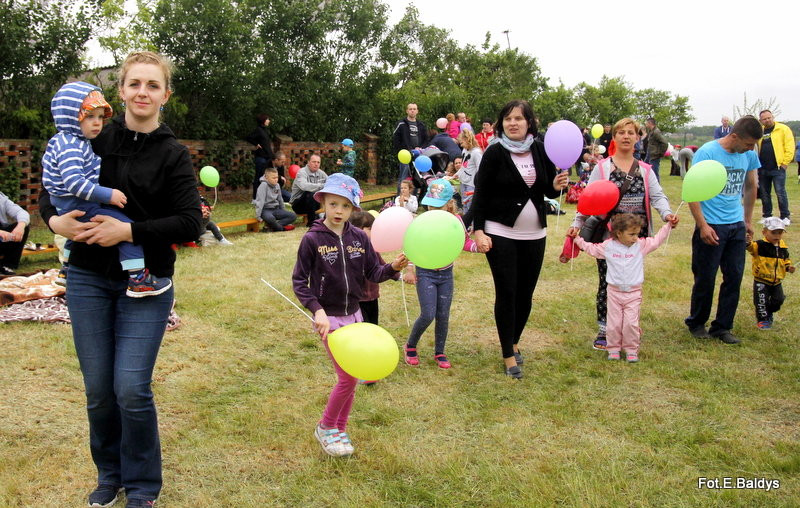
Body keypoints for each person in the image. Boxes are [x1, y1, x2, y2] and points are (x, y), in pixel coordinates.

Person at [38, 51, 203, 508]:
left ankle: (144, 485)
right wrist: (56, 224)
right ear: (121, 91)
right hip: (89, 277)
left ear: (165, 95)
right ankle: (109, 474)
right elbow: (50, 193)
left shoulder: (173, 154)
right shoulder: (92, 136)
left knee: (130, 388)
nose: (142, 93)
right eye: (134, 84)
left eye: (153, 85)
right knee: (98, 391)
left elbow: (190, 222)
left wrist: (128, 231)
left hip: (146, 282)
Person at [292, 173, 407, 457]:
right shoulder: (312, 239)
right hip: (329, 319)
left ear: (353, 208)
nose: (338, 211)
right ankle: (326, 426)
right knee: (346, 378)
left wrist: (393, 266)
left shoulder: (359, 238)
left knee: (353, 375)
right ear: (324, 204)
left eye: (344, 205)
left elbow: (373, 273)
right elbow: (299, 282)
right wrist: (317, 311)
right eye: (333, 204)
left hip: (355, 314)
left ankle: (339, 430)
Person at [42, 81, 170, 297]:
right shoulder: (71, 145)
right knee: (124, 226)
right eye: (90, 117)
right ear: (71, 116)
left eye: (100, 117)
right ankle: (138, 278)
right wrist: (107, 194)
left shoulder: (66, 140)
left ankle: (65, 270)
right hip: (77, 203)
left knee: (79, 232)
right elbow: (74, 183)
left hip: (68, 204)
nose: (97, 124)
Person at [471, 99, 569, 379]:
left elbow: (547, 185)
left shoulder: (540, 149)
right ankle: (507, 355)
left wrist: (557, 184)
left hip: (535, 233)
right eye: (508, 119)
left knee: (526, 294)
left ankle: (514, 341)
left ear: (529, 122)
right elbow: (481, 194)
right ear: (501, 124)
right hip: (500, 232)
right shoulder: (494, 152)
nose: (513, 123)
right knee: (508, 292)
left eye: (519, 118)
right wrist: (479, 230)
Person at [567, 118, 678, 351]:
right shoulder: (603, 167)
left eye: (631, 133)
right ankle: (604, 328)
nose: (626, 136)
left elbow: (657, 196)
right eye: (621, 132)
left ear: (638, 138)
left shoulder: (646, 170)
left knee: (631, 282)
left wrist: (667, 214)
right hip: (608, 236)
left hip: (635, 237)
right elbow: (589, 199)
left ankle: (629, 326)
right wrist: (577, 224)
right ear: (614, 137)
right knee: (607, 282)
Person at [684, 115, 762, 345]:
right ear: (734, 136)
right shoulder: (707, 153)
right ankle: (697, 322)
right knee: (705, 278)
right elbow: (692, 191)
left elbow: (750, 186)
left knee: (734, 277)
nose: (750, 149)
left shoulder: (748, 154)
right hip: (712, 224)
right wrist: (702, 225)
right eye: (748, 144)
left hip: (735, 225)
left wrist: (747, 220)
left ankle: (722, 326)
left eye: (753, 146)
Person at [575, 214, 674, 362]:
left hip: (633, 293)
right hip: (614, 293)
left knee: (630, 323)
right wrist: (577, 239)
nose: (635, 238)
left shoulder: (641, 246)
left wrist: (668, 226)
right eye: (632, 234)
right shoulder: (608, 246)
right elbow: (591, 249)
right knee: (613, 323)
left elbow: (657, 240)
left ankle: (631, 349)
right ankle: (613, 348)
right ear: (619, 233)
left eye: (637, 234)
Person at [402, 179, 478, 370]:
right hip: (425, 273)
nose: (432, 209)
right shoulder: (422, 221)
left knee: (443, 314)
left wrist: (477, 247)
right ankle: (410, 346)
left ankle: (440, 351)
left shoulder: (456, 221)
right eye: (429, 204)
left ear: (449, 204)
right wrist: (410, 268)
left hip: (446, 274)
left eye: (438, 205)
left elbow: (464, 242)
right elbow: (413, 245)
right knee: (428, 314)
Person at [747, 217, 794, 330]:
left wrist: (788, 267)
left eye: (780, 232)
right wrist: (747, 241)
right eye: (773, 232)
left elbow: (785, 260)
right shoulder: (759, 245)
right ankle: (763, 320)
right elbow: (750, 247)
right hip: (761, 281)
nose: (777, 236)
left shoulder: (782, 247)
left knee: (779, 300)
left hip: (777, 281)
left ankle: (768, 312)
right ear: (764, 232)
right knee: (761, 302)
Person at [756, 110, 794, 222]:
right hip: (762, 168)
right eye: (764, 119)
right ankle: (767, 215)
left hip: (778, 167)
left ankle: (785, 216)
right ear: (761, 120)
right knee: (764, 193)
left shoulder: (783, 129)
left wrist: (785, 164)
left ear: (772, 117)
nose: (767, 120)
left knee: (780, 192)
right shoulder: (760, 132)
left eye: (769, 117)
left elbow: (789, 147)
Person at [392, 103, 428, 191]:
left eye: (414, 109)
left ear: (417, 111)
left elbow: (426, 139)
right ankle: (399, 198)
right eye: (410, 109)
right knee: (403, 177)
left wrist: (420, 148)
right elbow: (395, 139)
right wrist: (403, 150)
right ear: (407, 111)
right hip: (405, 155)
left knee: (416, 177)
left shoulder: (421, 125)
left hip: (418, 154)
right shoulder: (401, 124)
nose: (412, 110)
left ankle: (413, 198)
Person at [289, 154, 327, 226]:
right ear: (308, 162)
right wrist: (321, 186)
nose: (316, 164)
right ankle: (312, 223)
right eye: (314, 162)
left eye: (318, 162)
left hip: (313, 203)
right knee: (310, 193)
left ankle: (324, 219)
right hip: (298, 204)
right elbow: (304, 186)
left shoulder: (321, 173)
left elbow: (330, 183)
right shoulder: (301, 172)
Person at [255, 167, 297, 232]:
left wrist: (283, 211)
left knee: (293, 216)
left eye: (277, 177)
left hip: (276, 209)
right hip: (266, 210)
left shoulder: (277, 185)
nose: (276, 179)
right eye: (273, 178)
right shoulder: (263, 185)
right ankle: (281, 228)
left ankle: (271, 227)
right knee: (271, 218)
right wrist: (258, 216)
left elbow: (280, 199)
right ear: (266, 177)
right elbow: (260, 201)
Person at [0, 191, 30, 275]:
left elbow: (21, 212)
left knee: (24, 227)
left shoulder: (1, 198)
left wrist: (21, 226)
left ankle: (8, 265)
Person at [245, 113, 275, 200]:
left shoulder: (265, 130)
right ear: (263, 120)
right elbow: (248, 137)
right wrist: (256, 144)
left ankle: (266, 196)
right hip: (261, 158)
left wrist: (272, 156)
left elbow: (267, 145)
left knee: (268, 177)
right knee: (258, 178)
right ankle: (255, 198)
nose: (269, 121)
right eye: (267, 119)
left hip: (267, 157)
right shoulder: (258, 130)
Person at [457, 128, 482, 215]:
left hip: (471, 183)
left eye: (462, 143)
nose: (461, 145)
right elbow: (464, 165)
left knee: (470, 205)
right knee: (464, 204)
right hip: (464, 181)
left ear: (467, 140)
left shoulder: (476, 152)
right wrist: (456, 175)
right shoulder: (465, 150)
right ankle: (466, 225)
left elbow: (480, 169)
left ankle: (472, 225)